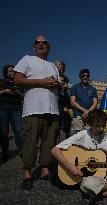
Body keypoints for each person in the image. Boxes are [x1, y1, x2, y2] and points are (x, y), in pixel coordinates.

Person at [51, 109, 107, 204]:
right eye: (97, 126)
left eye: (103, 125)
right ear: (90, 124)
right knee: (88, 184)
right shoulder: (83, 134)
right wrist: (70, 166)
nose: (101, 129)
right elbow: (55, 150)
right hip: (90, 177)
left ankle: (101, 195)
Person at [14, 35, 61, 190]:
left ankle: (44, 169)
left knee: (49, 141)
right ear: (34, 46)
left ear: (49, 46)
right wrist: (43, 82)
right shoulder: (27, 59)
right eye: (37, 42)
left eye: (44, 42)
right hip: (33, 107)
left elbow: (56, 85)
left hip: (52, 108)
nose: (41, 44)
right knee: (30, 141)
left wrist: (58, 85)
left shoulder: (53, 66)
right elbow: (18, 80)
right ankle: (27, 172)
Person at [0, 65, 23, 163]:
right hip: (2, 107)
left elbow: (23, 96)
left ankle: (22, 150)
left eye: (13, 72)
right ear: (5, 72)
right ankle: (5, 152)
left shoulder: (18, 83)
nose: (12, 73)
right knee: (3, 132)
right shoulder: (1, 82)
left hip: (16, 108)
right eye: (10, 71)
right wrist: (5, 91)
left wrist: (18, 92)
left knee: (19, 130)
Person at [70, 69, 98, 134]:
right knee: (79, 136)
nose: (85, 77)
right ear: (80, 76)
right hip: (78, 115)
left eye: (87, 76)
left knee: (90, 135)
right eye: (83, 76)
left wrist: (88, 112)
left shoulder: (93, 89)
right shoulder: (74, 87)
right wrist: (84, 110)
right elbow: (72, 102)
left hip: (90, 116)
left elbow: (95, 103)